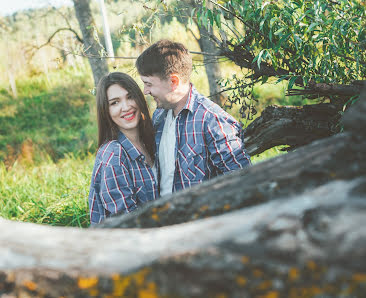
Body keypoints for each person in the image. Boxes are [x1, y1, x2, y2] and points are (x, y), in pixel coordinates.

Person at [136, 39, 251, 197]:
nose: (145, 91)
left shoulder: (212, 120)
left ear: (173, 81)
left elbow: (243, 180)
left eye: (148, 84)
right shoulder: (159, 116)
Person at [88, 72, 158, 225]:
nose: (126, 107)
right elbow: (126, 223)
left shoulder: (152, 141)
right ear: (105, 111)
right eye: (115, 103)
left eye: (130, 97)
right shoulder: (114, 154)